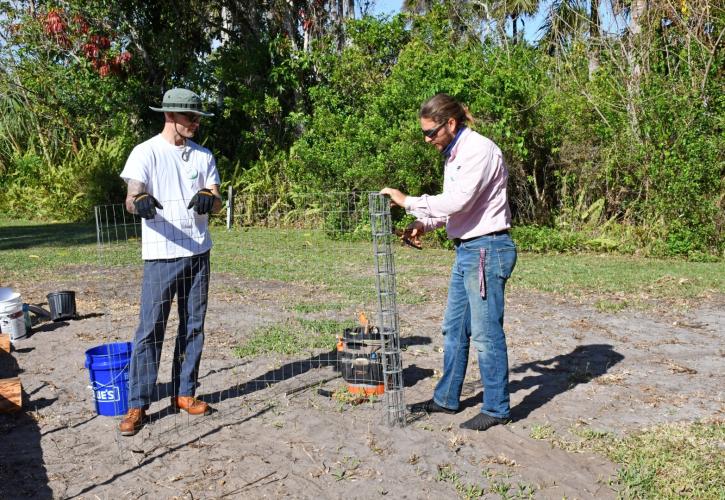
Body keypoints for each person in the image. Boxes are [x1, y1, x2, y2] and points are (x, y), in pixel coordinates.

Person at [381, 93, 517, 431]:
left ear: (450, 124)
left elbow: (459, 200)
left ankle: (497, 408)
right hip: (468, 250)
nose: (427, 140)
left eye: (430, 133)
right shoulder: (453, 154)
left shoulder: (479, 150)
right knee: (453, 329)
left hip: (487, 249)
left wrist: (408, 201)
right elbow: (458, 210)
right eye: (424, 134)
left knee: (486, 335)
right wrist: (423, 224)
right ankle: (446, 399)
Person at [118, 88, 222, 436]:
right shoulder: (145, 152)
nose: (195, 123)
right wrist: (141, 201)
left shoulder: (203, 156)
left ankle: (184, 393)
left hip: (198, 252)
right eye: (190, 117)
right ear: (170, 116)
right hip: (161, 254)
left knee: (193, 326)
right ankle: (138, 403)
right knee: (150, 329)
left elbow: (216, 197)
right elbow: (132, 198)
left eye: (197, 117)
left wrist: (211, 198)